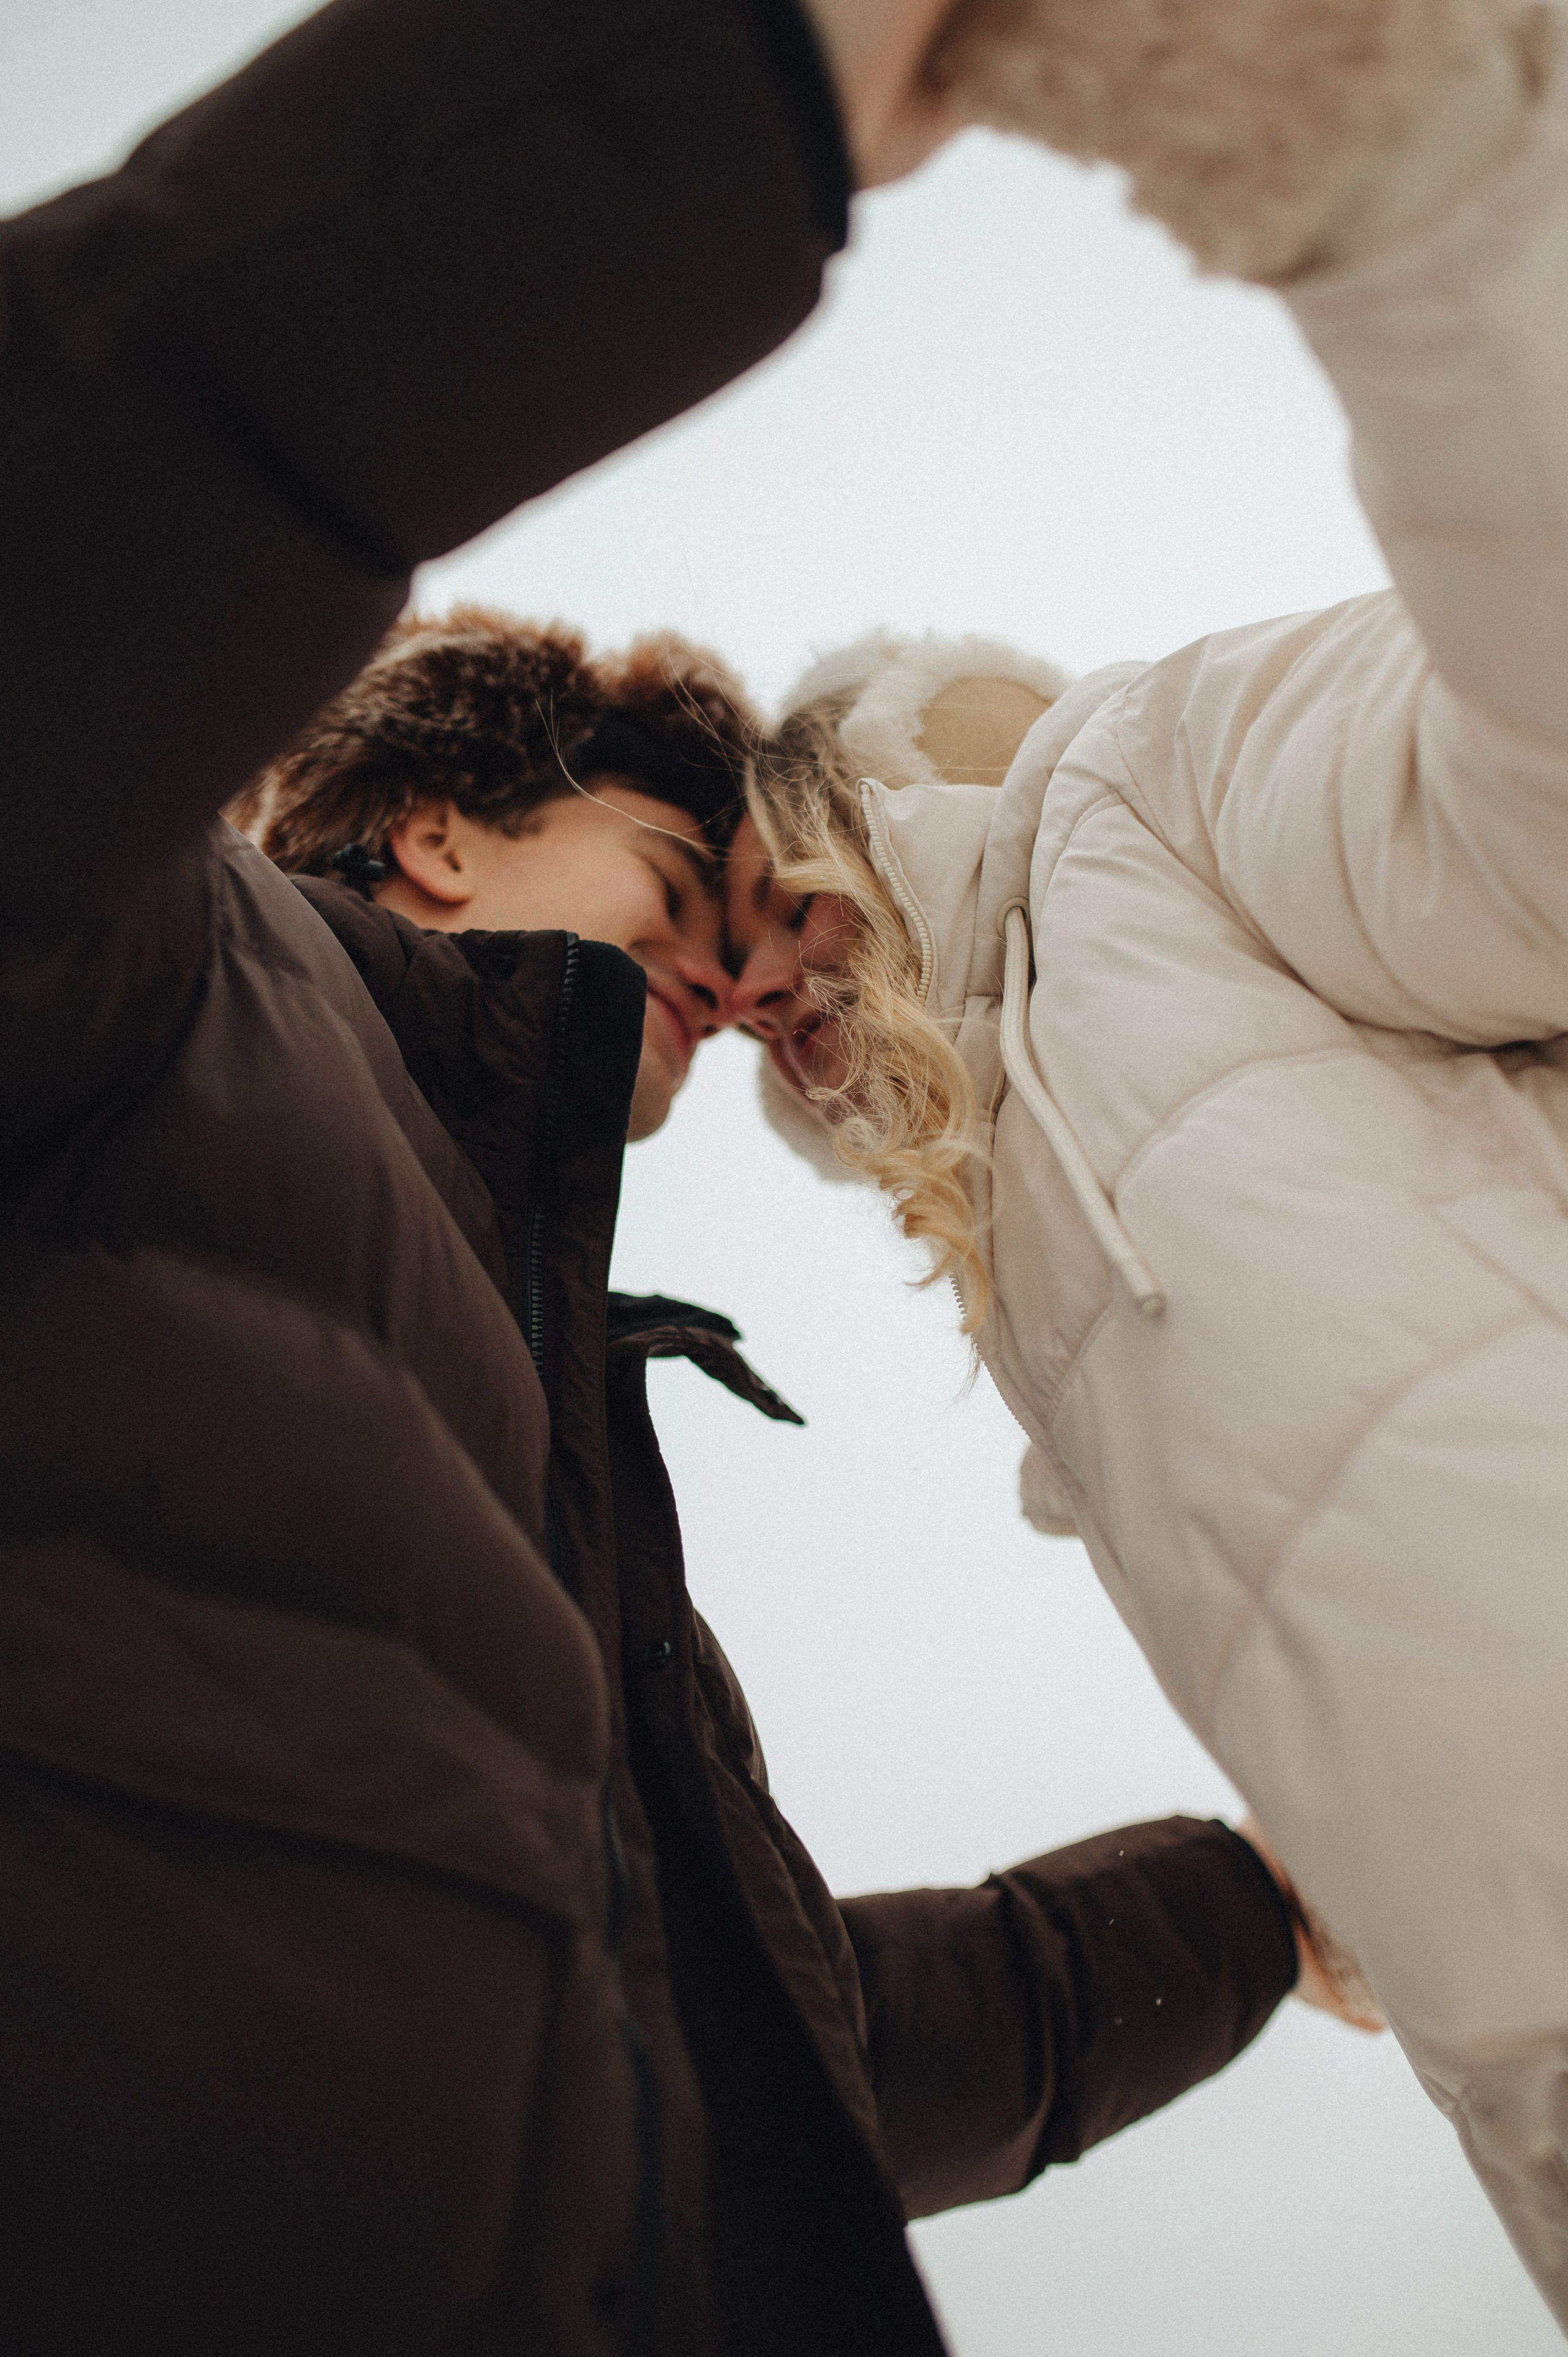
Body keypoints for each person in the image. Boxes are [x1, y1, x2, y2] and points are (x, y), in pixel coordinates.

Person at [0, 2, 1341, 2337]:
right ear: (438, 823)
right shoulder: (153, 977)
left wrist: (1267, 1908)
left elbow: (784, 2048)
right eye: (672, 874)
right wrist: (726, 79)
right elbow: (115, 470)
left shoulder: (540, 1392)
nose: (735, 972)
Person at [727, 0, 1568, 2324]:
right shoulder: (1035, 1258)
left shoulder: (1135, 800)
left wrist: (1398, 179)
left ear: (865, 797)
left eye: (777, 887)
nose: (768, 988)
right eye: (721, 985)